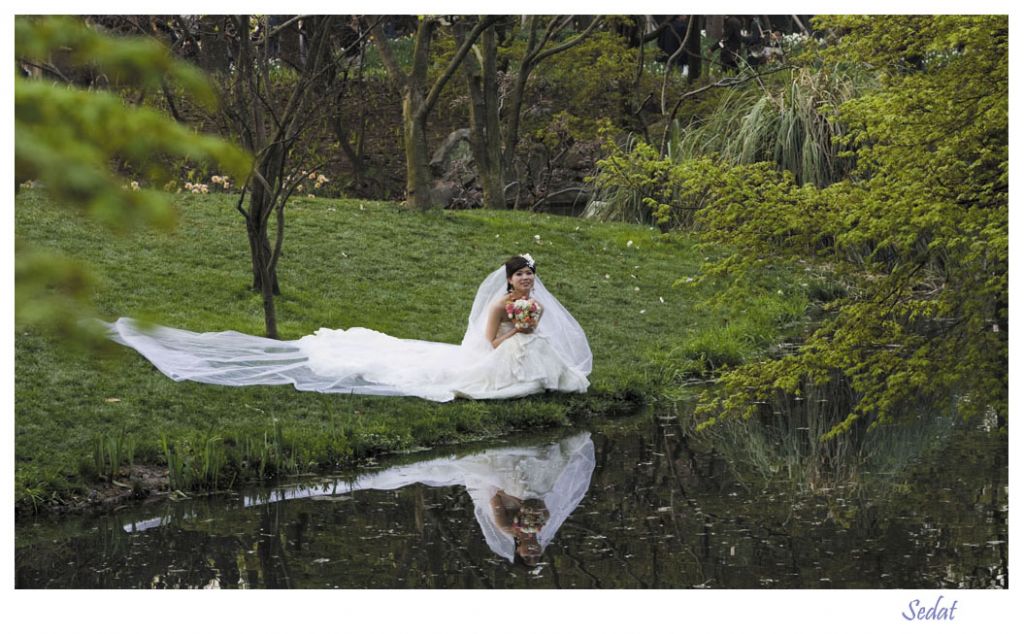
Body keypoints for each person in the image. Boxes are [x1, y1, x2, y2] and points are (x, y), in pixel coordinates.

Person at [105, 254, 591, 401]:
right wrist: (517, 333)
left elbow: (535, 328)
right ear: (509, 279)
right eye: (521, 275)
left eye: (530, 275)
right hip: (496, 350)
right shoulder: (501, 306)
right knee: (479, 370)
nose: (526, 281)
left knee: (544, 362)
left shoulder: (533, 305)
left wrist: (532, 328)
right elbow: (489, 342)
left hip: (522, 343)